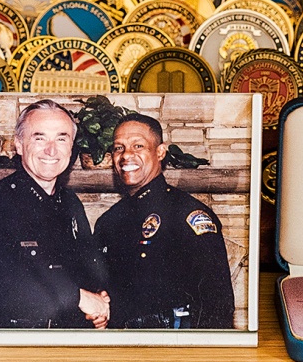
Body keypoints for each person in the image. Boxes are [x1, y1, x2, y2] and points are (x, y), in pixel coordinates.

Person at [0, 100, 110, 329]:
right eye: (40, 138)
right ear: (19, 145)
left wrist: (97, 301)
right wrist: (78, 298)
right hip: (15, 338)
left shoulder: (71, 203)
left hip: (69, 336)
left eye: (61, 139)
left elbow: (88, 269)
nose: (51, 150)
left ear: (71, 147)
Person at [94, 112, 236, 330]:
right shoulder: (108, 221)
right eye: (118, 148)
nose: (126, 155)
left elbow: (218, 305)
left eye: (138, 146)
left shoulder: (187, 214)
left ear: (160, 152)